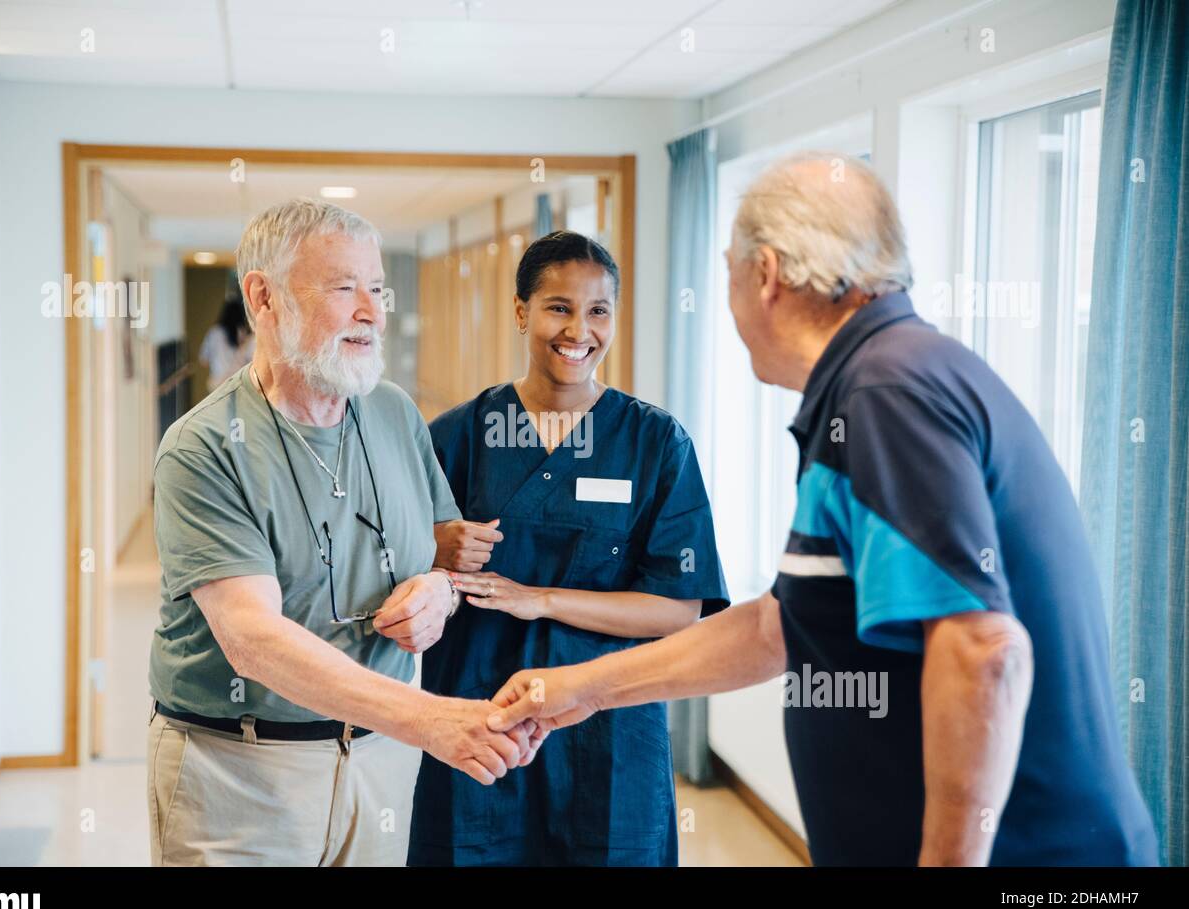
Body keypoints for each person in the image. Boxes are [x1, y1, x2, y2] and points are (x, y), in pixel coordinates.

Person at [486, 154, 1160, 867]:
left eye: (728, 271)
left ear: (767, 274)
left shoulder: (884, 393)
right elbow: (782, 625)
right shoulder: (880, 381)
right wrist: (582, 688)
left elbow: (987, 652)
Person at [147, 199, 542, 867]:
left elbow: (443, 556)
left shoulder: (394, 413)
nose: (373, 311)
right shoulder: (204, 447)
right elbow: (253, 642)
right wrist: (432, 718)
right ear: (263, 298)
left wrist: (439, 592)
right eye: (344, 287)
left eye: (378, 288)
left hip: (380, 761)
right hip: (242, 771)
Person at [408, 231, 729, 866]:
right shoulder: (458, 437)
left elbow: (679, 609)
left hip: (608, 727)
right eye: (558, 307)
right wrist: (435, 551)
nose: (578, 329)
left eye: (598, 310)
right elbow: (393, 576)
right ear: (522, 312)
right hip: (482, 718)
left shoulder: (655, 444)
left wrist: (541, 599)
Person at [198, 294, 256, 392]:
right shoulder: (245, 335)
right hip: (238, 384)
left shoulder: (214, 333)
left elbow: (203, 361)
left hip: (217, 385)